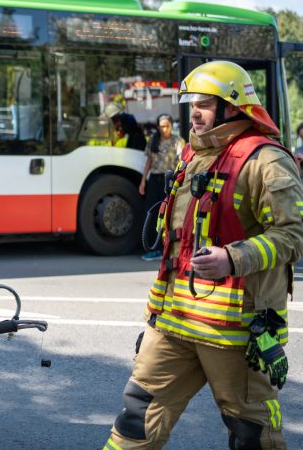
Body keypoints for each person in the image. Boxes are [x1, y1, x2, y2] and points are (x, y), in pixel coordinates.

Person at [103, 60, 303, 450]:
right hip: (175, 324)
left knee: (253, 436)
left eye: (204, 104)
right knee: (136, 416)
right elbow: (177, 250)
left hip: (236, 333)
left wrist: (233, 258)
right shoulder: (194, 155)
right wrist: (154, 318)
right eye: (191, 103)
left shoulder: (267, 160)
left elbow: (294, 234)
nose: (193, 112)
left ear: (233, 108)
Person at [139, 114, 184, 261]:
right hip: (154, 180)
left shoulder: (177, 142)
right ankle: (154, 248)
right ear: (158, 126)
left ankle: (168, 248)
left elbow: (182, 162)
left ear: (171, 126)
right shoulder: (153, 140)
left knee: (168, 215)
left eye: (167, 126)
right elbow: (149, 162)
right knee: (151, 214)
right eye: (162, 126)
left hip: (170, 180)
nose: (164, 129)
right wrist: (143, 182)